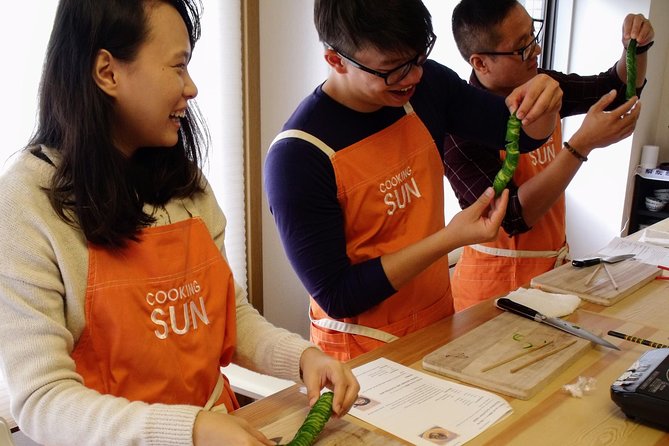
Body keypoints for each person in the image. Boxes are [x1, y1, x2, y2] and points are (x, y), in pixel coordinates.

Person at [0, 1, 359, 445]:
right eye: (178, 66)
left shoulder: (183, 181)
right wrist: (190, 429)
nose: (191, 88)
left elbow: (229, 314)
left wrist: (302, 358)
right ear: (107, 72)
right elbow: (43, 400)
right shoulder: (28, 202)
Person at [264, 0, 563, 361]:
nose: (412, 77)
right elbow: (338, 294)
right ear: (336, 60)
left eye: (418, 58)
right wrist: (449, 239)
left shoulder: (428, 87)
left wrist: (543, 103)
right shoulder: (298, 157)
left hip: (438, 327)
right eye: (392, 69)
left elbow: (522, 134)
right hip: (360, 354)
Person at [446, 0, 652, 311]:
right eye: (522, 48)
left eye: (533, 35)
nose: (537, 51)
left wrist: (637, 48)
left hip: (551, 276)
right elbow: (512, 215)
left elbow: (615, 89)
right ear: (480, 63)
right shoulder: (459, 128)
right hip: (491, 290)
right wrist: (580, 146)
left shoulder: (541, 88)